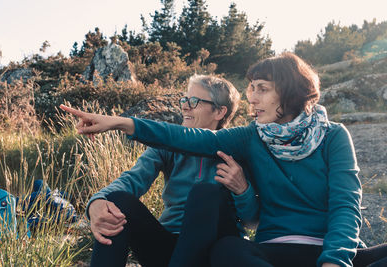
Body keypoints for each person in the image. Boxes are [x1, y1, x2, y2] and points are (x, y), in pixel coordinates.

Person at [61, 53, 387, 267]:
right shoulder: (250, 136)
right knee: (229, 251)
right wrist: (122, 123)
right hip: (273, 251)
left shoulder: (333, 135)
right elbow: (188, 139)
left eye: (260, 88)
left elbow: (347, 206)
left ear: (287, 92)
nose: (251, 97)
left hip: (334, 252)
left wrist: (333, 263)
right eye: (250, 89)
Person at [69, 74, 255, 267]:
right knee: (117, 200)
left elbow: (251, 221)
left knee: (206, 192)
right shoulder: (166, 147)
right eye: (185, 99)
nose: (185, 106)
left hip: (216, 251)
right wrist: (97, 201)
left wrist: (243, 190)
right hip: (170, 245)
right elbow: (133, 179)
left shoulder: (238, 150)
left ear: (219, 112)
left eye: (194, 101)